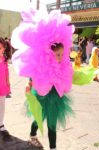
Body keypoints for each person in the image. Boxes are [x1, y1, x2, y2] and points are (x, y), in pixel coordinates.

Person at [11, 9, 74, 150]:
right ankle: (33, 132)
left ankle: (53, 147)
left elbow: (67, 81)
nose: (60, 57)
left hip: (56, 97)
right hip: (42, 96)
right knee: (39, 117)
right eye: (57, 54)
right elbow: (36, 80)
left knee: (52, 123)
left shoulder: (63, 65)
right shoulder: (41, 65)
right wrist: (32, 83)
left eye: (62, 54)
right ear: (49, 52)